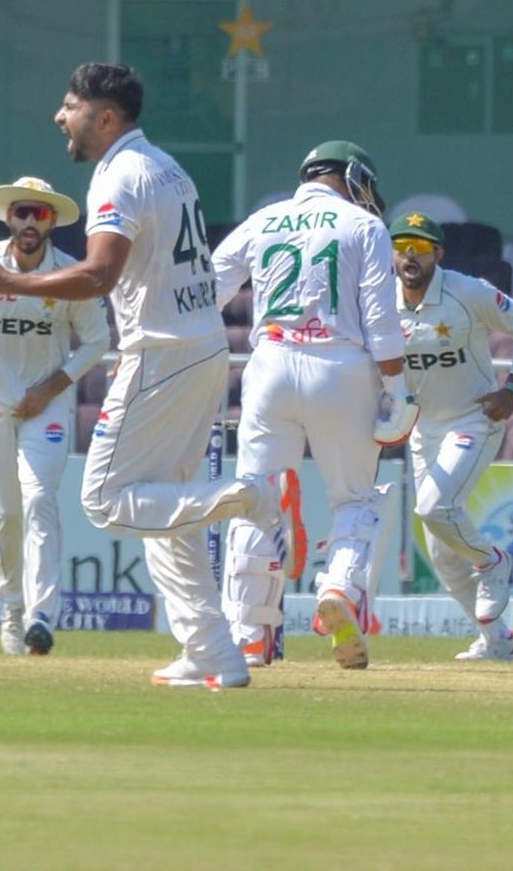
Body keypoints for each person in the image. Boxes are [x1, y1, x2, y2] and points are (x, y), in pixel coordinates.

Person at [0, 62, 305, 690]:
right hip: (200, 347)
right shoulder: (164, 165)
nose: (58, 117)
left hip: (161, 353)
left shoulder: (120, 175)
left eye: (69, 106)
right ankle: (214, 653)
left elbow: (99, 276)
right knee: (163, 510)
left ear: (104, 117)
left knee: (104, 498)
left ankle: (249, 498)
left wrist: (11, 282)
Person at [212, 140, 415, 671]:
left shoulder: (263, 220)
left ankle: (248, 633)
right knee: (355, 498)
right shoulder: (364, 226)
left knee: (257, 497)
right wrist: (397, 389)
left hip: (270, 363)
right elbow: (381, 319)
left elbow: (208, 289)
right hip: (340, 368)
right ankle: (341, 591)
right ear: (350, 175)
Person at [0, 176, 110, 655]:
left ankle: (42, 617)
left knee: (39, 500)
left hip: (46, 407)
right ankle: (11, 608)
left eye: (40, 213)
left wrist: (51, 388)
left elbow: (97, 341)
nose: (30, 221)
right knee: (8, 511)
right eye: (22, 212)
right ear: (9, 217)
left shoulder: (69, 273)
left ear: (52, 220)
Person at [390, 211, 513, 661]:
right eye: (402, 246)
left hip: (474, 421)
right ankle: (497, 643)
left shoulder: (467, 291)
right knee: (440, 551)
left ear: (438, 253)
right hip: (424, 430)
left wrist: (511, 388)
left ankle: (493, 562)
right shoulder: (379, 299)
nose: (410, 254)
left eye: (420, 246)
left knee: (435, 507)